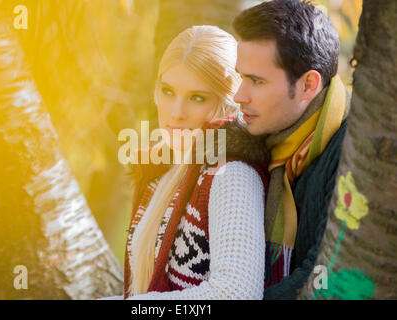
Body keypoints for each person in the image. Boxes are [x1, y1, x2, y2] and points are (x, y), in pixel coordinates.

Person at [102, 25, 270, 300]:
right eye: (167, 91)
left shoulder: (231, 174)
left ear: (227, 103)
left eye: (197, 98)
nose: (176, 113)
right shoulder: (162, 172)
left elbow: (236, 294)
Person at [232, 0, 351, 299]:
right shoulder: (261, 141)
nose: (238, 95)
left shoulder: (353, 156)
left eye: (256, 81)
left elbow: (327, 274)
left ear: (309, 85)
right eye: (240, 76)